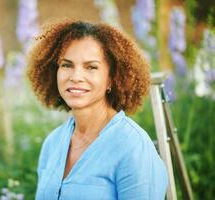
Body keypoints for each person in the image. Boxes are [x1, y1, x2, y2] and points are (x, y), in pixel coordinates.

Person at [26, 20, 168, 200]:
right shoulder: (52, 143)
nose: (76, 77)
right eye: (66, 65)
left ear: (111, 79)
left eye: (91, 67)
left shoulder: (133, 147)